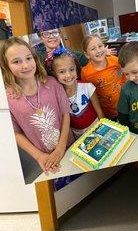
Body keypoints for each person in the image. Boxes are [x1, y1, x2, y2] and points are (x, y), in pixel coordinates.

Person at [0, 37, 73, 175]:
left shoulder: (52, 83)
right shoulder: (6, 100)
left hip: (69, 145)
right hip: (44, 158)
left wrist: (61, 146)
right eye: (16, 61)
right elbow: (15, 133)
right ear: (6, 66)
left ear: (34, 58)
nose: (26, 65)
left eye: (28, 58)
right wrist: (39, 156)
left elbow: (65, 113)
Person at [49, 48, 104, 138]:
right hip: (77, 135)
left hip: (97, 128)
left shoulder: (88, 87)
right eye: (62, 72)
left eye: (71, 69)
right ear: (55, 74)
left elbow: (100, 112)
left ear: (76, 68)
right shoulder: (57, 96)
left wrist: (104, 128)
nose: (68, 75)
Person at [81, 35, 125, 120]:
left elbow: (126, 72)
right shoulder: (86, 73)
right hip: (106, 113)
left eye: (100, 46)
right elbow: (88, 94)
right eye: (93, 49)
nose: (98, 50)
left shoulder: (115, 61)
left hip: (123, 106)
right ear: (87, 54)